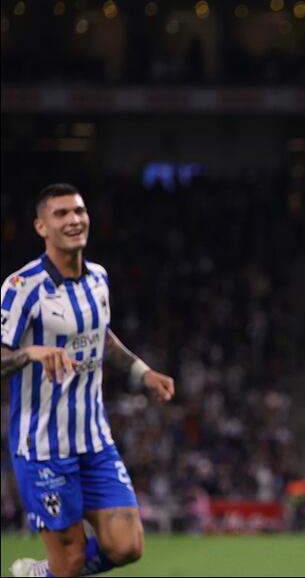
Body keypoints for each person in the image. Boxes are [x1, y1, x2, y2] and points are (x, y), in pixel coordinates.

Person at [2, 184, 175, 578]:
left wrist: (141, 372)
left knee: (128, 545)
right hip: (44, 445)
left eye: (79, 211)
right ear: (41, 227)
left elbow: (102, 337)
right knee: (73, 561)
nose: (74, 219)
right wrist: (31, 352)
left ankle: (43, 574)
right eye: (61, 214)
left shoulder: (98, 279)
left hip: (94, 440)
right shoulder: (21, 288)